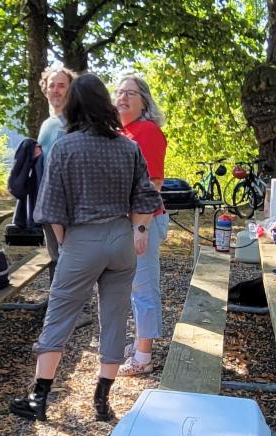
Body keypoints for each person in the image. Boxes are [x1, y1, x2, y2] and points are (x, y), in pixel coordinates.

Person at [9, 73, 160, 422]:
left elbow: (49, 207)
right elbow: (146, 197)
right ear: (105, 104)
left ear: (74, 107)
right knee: (115, 318)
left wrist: (66, 242)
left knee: (59, 317)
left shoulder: (65, 146)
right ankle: (102, 402)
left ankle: (39, 398)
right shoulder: (128, 146)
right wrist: (137, 229)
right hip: (121, 239)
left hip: (82, 238)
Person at [114, 74, 169, 377]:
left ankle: (144, 356)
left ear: (144, 101)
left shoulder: (146, 131)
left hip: (143, 221)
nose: (122, 97)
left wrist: (141, 228)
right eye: (119, 92)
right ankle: (136, 344)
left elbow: (154, 184)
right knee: (130, 288)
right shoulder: (123, 131)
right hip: (126, 221)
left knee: (144, 288)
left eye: (130, 94)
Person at [35, 66, 77, 262]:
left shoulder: (76, 122)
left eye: (61, 85)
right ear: (45, 90)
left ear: (71, 89)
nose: (56, 90)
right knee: (55, 260)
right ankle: (56, 294)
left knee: (73, 261)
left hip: (72, 208)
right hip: (49, 205)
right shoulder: (47, 124)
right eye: (52, 85)